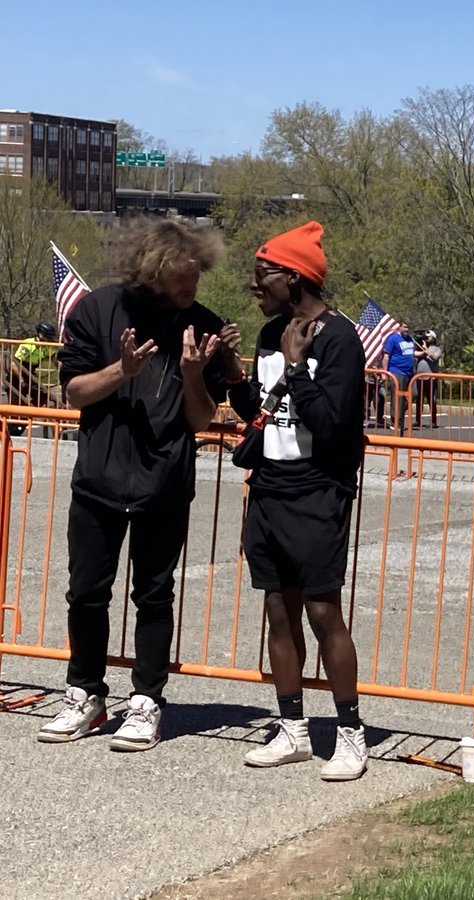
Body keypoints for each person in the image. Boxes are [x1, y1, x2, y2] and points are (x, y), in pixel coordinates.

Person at [35, 218, 230, 751]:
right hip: (98, 481)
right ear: (153, 270)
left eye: (197, 275)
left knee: (154, 595)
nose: (191, 286)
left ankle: (146, 701)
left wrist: (194, 374)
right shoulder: (97, 311)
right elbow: (73, 392)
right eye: (181, 276)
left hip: (164, 484)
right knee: (87, 594)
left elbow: (200, 420)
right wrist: (120, 370)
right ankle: (85, 695)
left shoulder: (204, 325)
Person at [225, 221, 368, 781]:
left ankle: (351, 735)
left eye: (262, 275)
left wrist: (295, 367)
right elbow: (260, 414)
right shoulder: (269, 334)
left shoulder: (337, 338)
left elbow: (333, 427)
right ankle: (292, 730)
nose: (254, 285)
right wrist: (219, 372)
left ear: (293, 276)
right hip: (269, 487)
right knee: (276, 613)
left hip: (317, 489)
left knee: (321, 611)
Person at [8, 321, 60, 408]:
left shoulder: (46, 347)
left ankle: (30, 411)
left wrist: (63, 373)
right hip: (16, 377)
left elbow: (55, 361)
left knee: (42, 396)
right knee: (16, 405)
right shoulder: (29, 344)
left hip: (29, 375)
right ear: (41, 335)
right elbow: (13, 364)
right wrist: (22, 381)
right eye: (48, 337)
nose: (50, 340)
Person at [381, 320, 416, 433]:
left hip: (409, 372)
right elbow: (386, 357)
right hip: (397, 371)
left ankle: (399, 414)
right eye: (405, 327)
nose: (407, 330)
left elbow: (412, 353)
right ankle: (395, 420)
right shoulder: (393, 339)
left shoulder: (410, 339)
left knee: (414, 394)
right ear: (399, 327)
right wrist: (384, 373)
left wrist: (425, 353)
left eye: (408, 327)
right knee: (397, 398)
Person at [413, 329, 443, 429]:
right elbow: (414, 354)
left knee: (431, 400)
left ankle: (433, 421)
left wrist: (426, 349)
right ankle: (418, 420)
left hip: (431, 378)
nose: (426, 339)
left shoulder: (436, 349)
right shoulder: (420, 347)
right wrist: (421, 349)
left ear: (433, 339)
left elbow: (435, 357)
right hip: (419, 378)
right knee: (419, 400)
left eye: (428, 337)